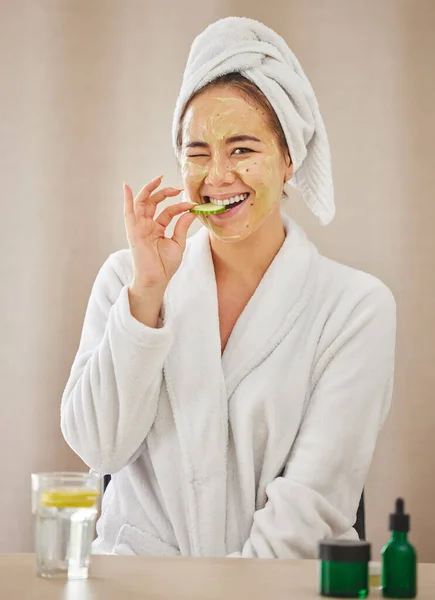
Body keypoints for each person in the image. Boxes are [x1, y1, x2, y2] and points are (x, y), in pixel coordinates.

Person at [61, 17, 396, 558]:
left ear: (289, 159)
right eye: (197, 152)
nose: (217, 175)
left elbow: (308, 511)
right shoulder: (126, 280)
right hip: (135, 587)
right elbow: (98, 448)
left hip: (277, 590)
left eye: (242, 150)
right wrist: (146, 297)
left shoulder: (355, 308)